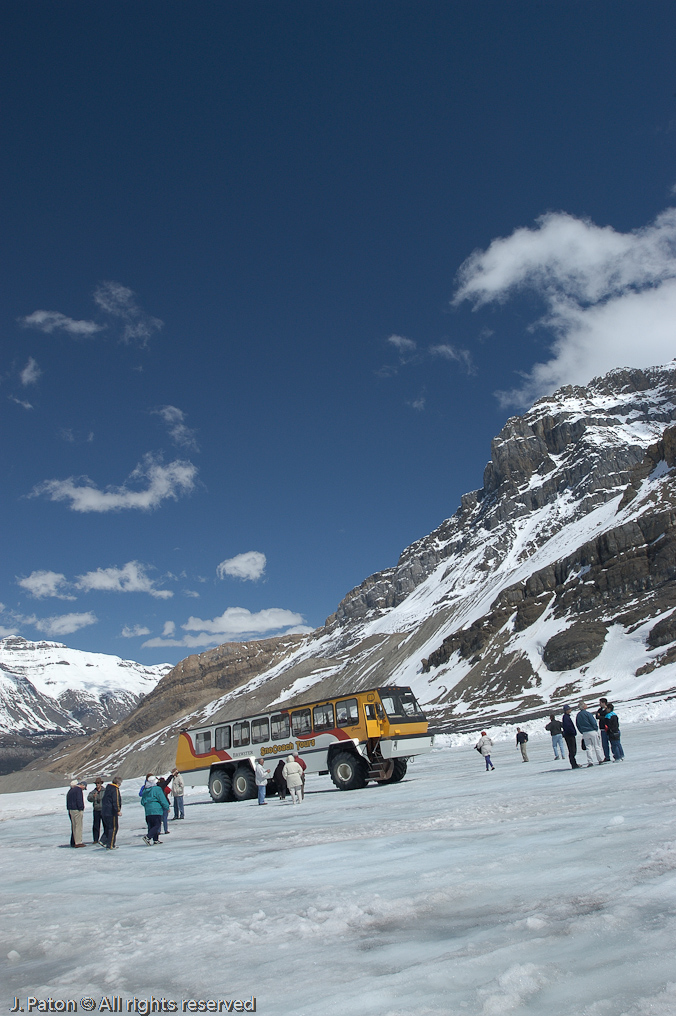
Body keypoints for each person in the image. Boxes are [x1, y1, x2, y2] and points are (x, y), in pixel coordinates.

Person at [576, 701, 606, 766]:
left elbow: (578, 725)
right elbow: (593, 722)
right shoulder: (588, 714)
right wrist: (596, 729)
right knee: (597, 746)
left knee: (588, 747)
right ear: (584, 707)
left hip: (585, 732)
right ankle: (600, 759)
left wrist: (582, 731)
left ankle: (590, 761)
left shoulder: (578, 715)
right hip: (592, 731)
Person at [141, 776, 168, 844]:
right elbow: (162, 799)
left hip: (148, 810)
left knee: (151, 825)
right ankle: (148, 837)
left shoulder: (145, 790)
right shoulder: (157, 789)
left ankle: (155, 840)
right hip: (156, 809)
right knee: (157, 825)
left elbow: (142, 801)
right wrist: (166, 807)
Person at [100, 776, 122, 849]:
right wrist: (118, 810)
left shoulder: (108, 789)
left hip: (104, 811)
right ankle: (111, 844)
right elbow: (116, 801)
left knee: (108, 827)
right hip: (111, 812)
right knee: (113, 828)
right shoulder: (114, 789)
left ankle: (103, 840)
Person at [66, 780, 87, 847]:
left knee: (74, 826)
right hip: (76, 810)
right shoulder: (78, 790)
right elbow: (79, 800)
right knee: (78, 826)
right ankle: (78, 842)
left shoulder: (70, 791)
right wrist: (81, 808)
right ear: (82, 785)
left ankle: (74, 841)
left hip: (71, 810)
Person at [87, 778, 105, 843]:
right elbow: (89, 798)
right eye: (96, 783)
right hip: (96, 810)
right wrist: (93, 797)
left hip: (103, 810)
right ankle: (95, 839)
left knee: (105, 824)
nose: (97, 785)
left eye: (98, 783)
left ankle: (105, 838)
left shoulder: (104, 791)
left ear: (101, 784)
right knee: (96, 825)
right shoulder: (93, 792)